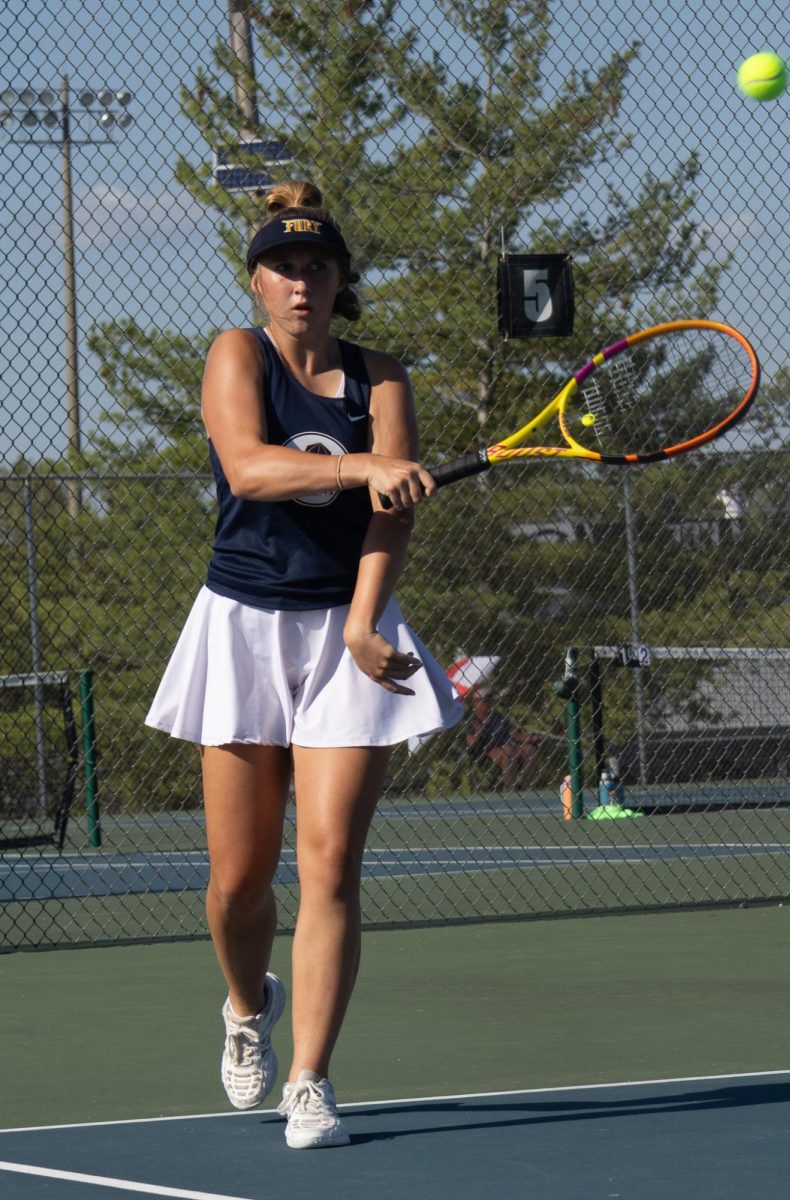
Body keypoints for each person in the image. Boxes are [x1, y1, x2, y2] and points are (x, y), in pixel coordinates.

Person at [145, 181, 462, 1149]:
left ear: (340, 283)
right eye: (283, 267)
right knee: (240, 885)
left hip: (345, 634)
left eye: (318, 267)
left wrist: (368, 622)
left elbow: (391, 513)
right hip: (240, 624)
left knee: (329, 868)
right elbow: (248, 466)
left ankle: (311, 1079)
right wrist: (358, 465)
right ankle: (248, 1008)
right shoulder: (235, 356)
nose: (300, 283)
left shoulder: (384, 380)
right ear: (257, 283)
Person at [464, 685, 542, 788]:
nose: (488, 703)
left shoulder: (497, 716)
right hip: (488, 753)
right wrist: (479, 731)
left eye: (489, 699)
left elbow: (515, 735)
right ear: (475, 702)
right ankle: (510, 787)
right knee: (508, 750)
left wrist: (532, 738)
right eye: (484, 700)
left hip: (508, 747)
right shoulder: (473, 721)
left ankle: (527, 786)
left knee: (529, 750)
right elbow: (471, 743)